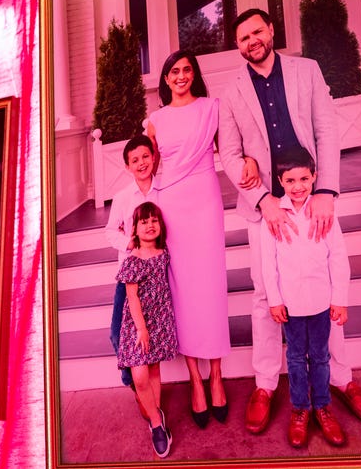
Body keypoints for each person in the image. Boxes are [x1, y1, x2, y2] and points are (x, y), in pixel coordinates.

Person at [218, 8, 361, 434]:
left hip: (311, 196)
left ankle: (341, 379)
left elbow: (327, 131)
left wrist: (326, 192)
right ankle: (265, 383)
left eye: (257, 31)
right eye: (242, 37)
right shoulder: (232, 90)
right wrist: (261, 200)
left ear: (271, 31)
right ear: (237, 46)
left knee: (326, 288)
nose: (251, 40)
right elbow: (231, 156)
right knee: (264, 296)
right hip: (265, 206)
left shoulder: (306, 70)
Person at [146, 49, 230, 427]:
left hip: (205, 198)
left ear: (194, 74)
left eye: (186, 70)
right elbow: (149, 169)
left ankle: (217, 375)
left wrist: (249, 165)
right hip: (173, 205)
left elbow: (229, 151)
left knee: (211, 287)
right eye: (174, 72)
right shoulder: (155, 120)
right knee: (182, 289)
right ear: (165, 79)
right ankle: (196, 379)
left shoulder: (213, 108)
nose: (181, 76)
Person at [260, 148, 349, 447]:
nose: (298, 186)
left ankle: (323, 407)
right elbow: (267, 263)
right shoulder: (272, 216)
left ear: (314, 177)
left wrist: (340, 298)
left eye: (304, 178)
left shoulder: (324, 212)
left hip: (322, 302)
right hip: (291, 306)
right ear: (280, 181)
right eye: (290, 180)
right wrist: (274, 299)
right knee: (296, 358)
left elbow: (337, 257)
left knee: (321, 356)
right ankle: (300, 409)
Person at [116, 201, 178, 458]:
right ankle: (155, 417)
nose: (150, 225)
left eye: (154, 220)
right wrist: (141, 329)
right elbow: (132, 298)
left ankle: (157, 423)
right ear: (135, 230)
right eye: (144, 222)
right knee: (139, 376)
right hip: (137, 322)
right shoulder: (133, 260)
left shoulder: (164, 253)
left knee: (153, 368)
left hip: (160, 319)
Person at [103, 134, 158, 392]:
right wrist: (129, 242)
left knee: (151, 333)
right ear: (127, 167)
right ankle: (135, 384)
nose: (141, 163)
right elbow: (110, 231)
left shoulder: (164, 190)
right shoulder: (123, 197)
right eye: (135, 160)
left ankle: (148, 385)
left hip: (158, 275)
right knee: (117, 332)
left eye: (146, 156)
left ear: (154, 157)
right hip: (130, 275)